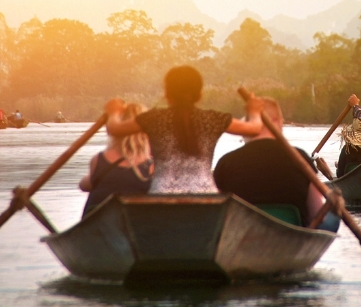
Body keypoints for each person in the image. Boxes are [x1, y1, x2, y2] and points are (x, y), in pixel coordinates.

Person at [106, 65, 263, 193]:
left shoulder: (153, 118)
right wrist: (254, 111)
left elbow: (114, 128)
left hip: (161, 196)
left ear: (167, 94)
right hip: (205, 195)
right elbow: (255, 128)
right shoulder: (214, 119)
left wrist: (114, 112)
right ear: (200, 94)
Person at [213, 98, 339, 232]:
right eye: (282, 121)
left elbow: (217, 215)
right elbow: (317, 212)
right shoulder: (300, 158)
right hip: (292, 237)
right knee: (332, 215)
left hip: (241, 236)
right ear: (275, 121)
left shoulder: (226, 162)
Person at [79, 103, 154, 216]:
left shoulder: (99, 160)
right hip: (134, 222)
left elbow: (85, 185)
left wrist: (85, 180)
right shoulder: (152, 165)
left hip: (97, 224)